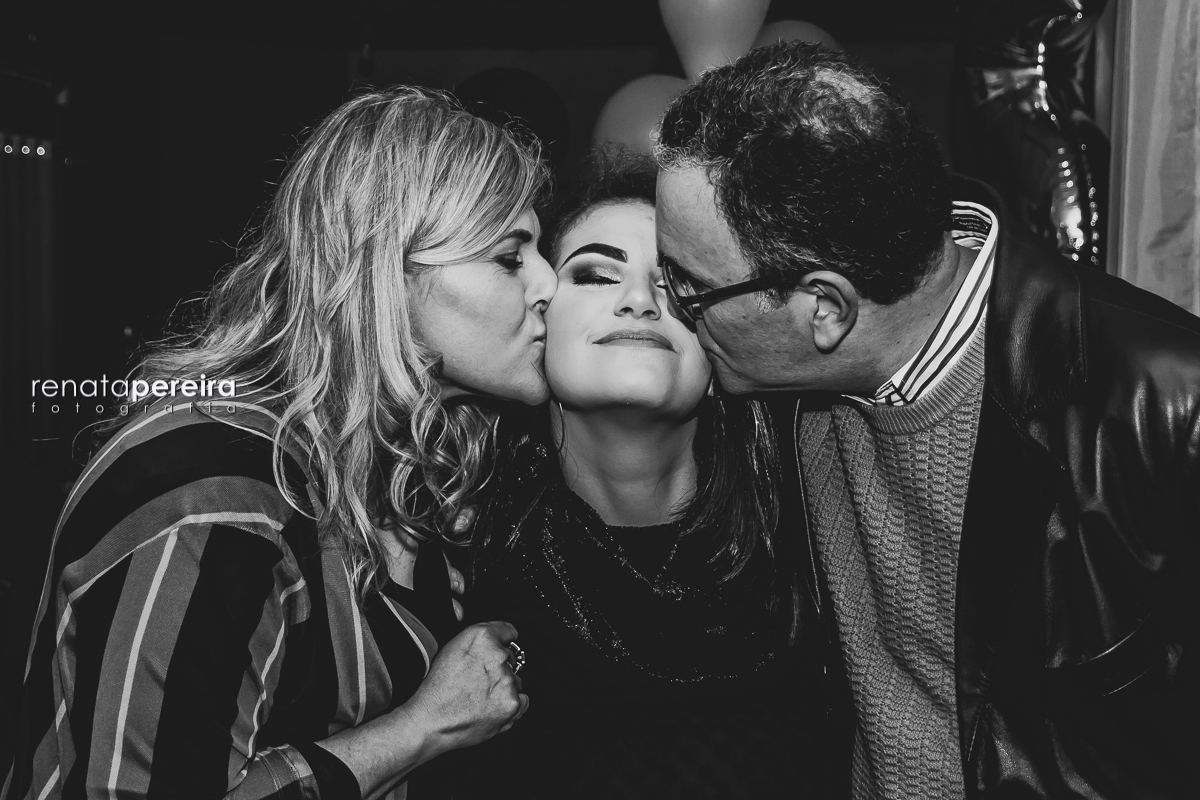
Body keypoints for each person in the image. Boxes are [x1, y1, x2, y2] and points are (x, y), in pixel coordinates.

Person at [653, 41, 1192, 800]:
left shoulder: (1167, 412)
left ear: (826, 309)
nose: (675, 310)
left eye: (691, 287)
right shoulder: (779, 389)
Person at [3, 86, 555, 800]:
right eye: (510, 258)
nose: (548, 283)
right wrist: (424, 727)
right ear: (385, 274)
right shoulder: (211, 496)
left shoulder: (407, 463)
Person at [428, 154, 831, 800]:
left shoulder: (814, 530)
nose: (640, 302)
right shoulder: (453, 551)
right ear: (537, 319)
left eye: (675, 285)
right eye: (595, 274)